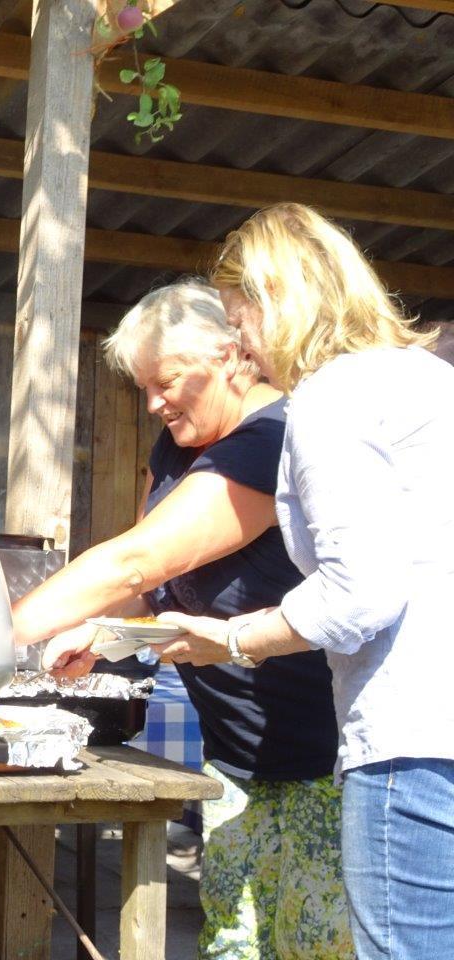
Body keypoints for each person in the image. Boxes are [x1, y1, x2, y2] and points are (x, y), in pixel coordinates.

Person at [12, 281, 352, 959]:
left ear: (230, 355)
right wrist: (99, 632)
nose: (153, 403)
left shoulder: (273, 441)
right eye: (144, 387)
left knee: (315, 945)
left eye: (166, 382)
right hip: (235, 755)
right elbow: (159, 586)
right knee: (233, 941)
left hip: (323, 759)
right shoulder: (176, 448)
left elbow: (138, 562)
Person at [154, 203, 454, 960]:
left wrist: (232, 639)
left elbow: (360, 591)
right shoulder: (430, 381)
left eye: (238, 320)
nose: (242, 346)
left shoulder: (333, 394)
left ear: (272, 300)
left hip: (411, 741)